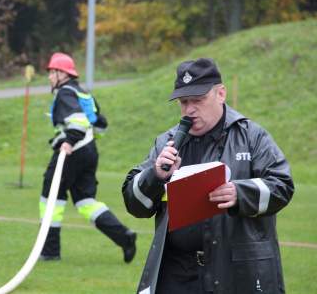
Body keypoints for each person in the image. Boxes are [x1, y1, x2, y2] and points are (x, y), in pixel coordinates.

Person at [122, 58, 294, 293]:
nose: (189, 109)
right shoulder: (167, 143)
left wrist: (240, 193)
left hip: (235, 271)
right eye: (183, 102)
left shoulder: (252, 136)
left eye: (198, 100)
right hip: (177, 274)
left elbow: (282, 186)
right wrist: (154, 175)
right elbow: (135, 205)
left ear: (221, 94)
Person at [39, 52, 137, 263]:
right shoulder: (82, 92)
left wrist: (69, 141)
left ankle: (49, 251)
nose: (49, 77)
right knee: (85, 202)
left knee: (50, 197)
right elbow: (100, 122)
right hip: (89, 151)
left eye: (51, 72)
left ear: (61, 74)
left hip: (71, 151)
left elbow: (78, 123)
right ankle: (124, 237)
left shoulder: (65, 93)